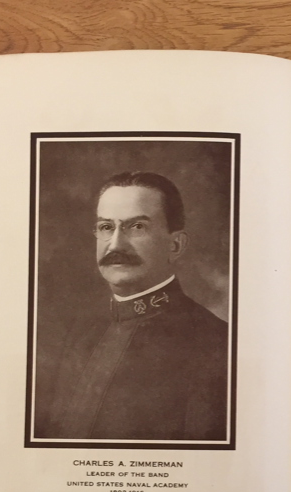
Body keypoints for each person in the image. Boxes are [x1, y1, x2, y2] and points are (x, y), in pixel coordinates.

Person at [40, 171, 229, 442]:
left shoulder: (215, 344)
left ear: (175, 245)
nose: (116, 244)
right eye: (106, 227)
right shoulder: (79, 335)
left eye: (137, 227)